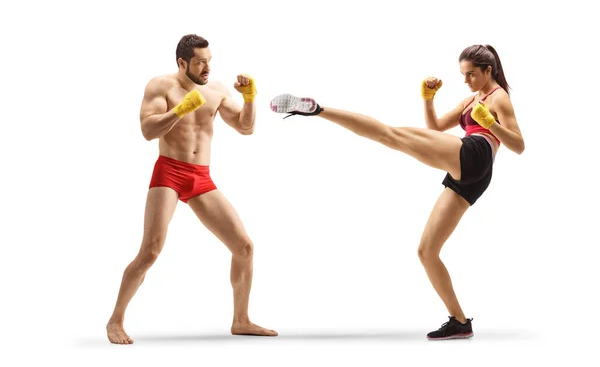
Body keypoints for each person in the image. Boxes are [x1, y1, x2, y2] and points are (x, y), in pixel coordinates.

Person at [270, 44, 524, 340]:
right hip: (469, 172)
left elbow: (518, 145)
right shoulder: (471, 100)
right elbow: (435, 128)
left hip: (476, 153)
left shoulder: (499, 97)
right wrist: (428, 100)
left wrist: (491, 123)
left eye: (471, 75)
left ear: (488, 70)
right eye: (463, 75)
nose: (466, 81)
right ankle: (459, 321)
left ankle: (317, 110)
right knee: (427, 251)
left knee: (390, 135)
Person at [106, 34, 278, 344]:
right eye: (200, 62)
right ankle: (115, 320)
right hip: (169, 173)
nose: (207, 67)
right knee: (150, 251)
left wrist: (250, 99)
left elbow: (245, 127)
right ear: (182, 62)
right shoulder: (161, 86)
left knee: (244, 247)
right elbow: (147, 130)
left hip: (201, 177)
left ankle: (241, 320)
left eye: (209, 60)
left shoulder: (216, 90)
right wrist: (180, 110)